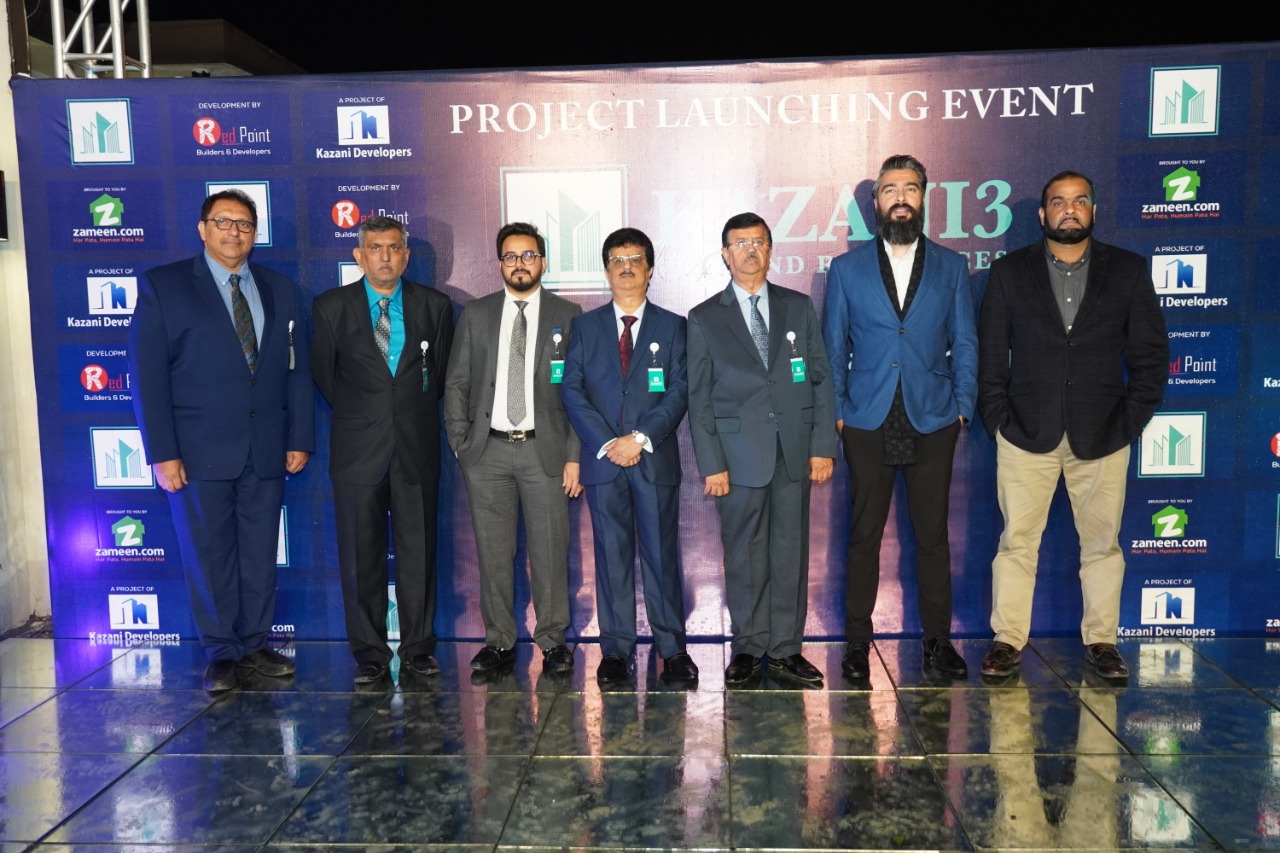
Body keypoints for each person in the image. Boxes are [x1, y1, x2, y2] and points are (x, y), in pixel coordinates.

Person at [978, 170, 1168, 680]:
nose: (1069, 209)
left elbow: (1151, 357)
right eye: (1058, 202)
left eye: (1079, 201)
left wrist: (1128, 422)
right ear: (1043, 214)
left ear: (1093, 210)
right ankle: (1007, 641)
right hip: (1025, 434)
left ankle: (1102, 642)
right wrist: (999, 421)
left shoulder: (1127, 270)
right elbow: (990, 357)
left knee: (1103, 545)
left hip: (1103, 434)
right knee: (1017, 543)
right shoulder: (1009, 272)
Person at [129, 189, 314, 693]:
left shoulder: (280, 288)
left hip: (266, 448)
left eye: (244, 224)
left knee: (259, 554)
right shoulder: (164, 286)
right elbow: (147, 378)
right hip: (196, 452)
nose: (235, 232)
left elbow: (296, 370)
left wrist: (299, 435)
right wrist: (163, 453)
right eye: (224, 222)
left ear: (255, 234)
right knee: (208, 555)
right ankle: (221, 653)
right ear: (203, 229)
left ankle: (254, 645)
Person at [822, 155, 978, 681]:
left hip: (932, 418)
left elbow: (966, 341)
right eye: (891, 190)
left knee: (932, 538)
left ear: (924, 197)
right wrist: (839, 415)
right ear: (876, 203)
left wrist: (962, 408)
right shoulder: (846, 270)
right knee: (863, 537)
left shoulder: (952, 267)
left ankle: (938, 642)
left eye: (910, 188)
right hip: (867, 419)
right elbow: (832, 348)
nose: (901, 198)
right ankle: (856, 644)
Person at [687, 212, 836, 687]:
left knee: (790, 554)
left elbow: (820, 377)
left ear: (770, 250)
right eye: (740, 243)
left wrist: (822, 447)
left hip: (793, 453)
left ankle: (787, 649)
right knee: (744, 557)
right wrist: (712, 464)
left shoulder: (798, 306)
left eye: (758, 242)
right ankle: (749, 648)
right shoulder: (704, 317)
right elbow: (699, 398)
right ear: (725, 254)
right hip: (736, 460)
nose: (750, 251)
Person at [312, 216, 453, 685]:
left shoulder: (435, 306)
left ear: (407, 256)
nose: (386, 256)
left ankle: (418, 648)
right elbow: (326, 377)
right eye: (375, 248)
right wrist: (369, 415)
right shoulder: (330, 307)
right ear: (359, 255)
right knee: (360, 557)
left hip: (416, 448)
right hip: (358, 451)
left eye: (394, 248)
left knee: (419, 554)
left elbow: (439, 378)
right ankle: (369, 653)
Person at [444, 222, 583, 675]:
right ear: (499, 263)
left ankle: (553, 641)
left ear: (543, 261)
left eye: (527, 255)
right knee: (493, 553)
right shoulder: (477, 313)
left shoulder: (569, 314)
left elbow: (580, 393)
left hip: (546, 453)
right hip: (488, 454)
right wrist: (462, 445)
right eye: (510, 256)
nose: (519, 264)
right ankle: (499, 641)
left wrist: (574, 454)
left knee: (550, 552)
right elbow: (457, 383)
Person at [561, 227, 697, 686]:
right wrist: (609, 443)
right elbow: (572, 390)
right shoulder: (585, 327)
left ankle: (672, 650)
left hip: (653, 460)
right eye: (617, 260)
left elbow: (680, 390)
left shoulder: (673, 326)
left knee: (661, 556)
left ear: (650, 269)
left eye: (635, 259)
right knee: (611, 558)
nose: (626, 267)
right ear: (606, 271)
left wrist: (638, 438)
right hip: (604, 462)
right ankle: (616, 651)